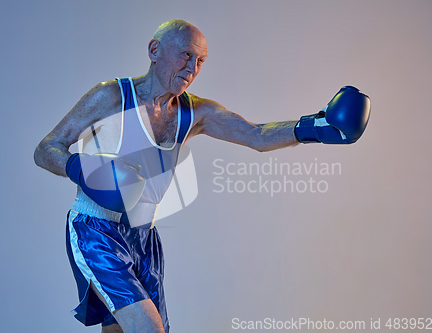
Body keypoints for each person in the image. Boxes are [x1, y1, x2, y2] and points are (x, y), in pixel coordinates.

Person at [34, 19, 370, 333]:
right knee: (149, 329)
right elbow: (47, 147)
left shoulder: (195, 112)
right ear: (154, 51)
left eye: (200, 61)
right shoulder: (111, 96)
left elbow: (256, 135)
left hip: (144, 239)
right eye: (185, 56)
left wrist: (314, 127)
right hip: (97, 231)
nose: (192, 69)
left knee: (122, 330)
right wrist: (85, 171)